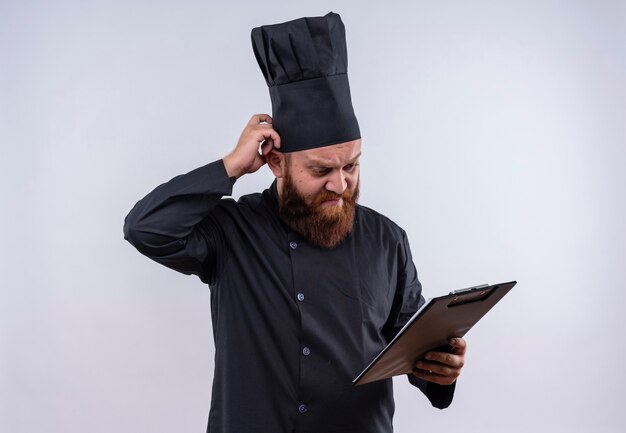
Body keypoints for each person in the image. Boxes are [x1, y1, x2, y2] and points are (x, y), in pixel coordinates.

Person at [123, 12, 466, 433]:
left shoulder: (388, 240)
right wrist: (230, 167)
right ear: (275, 161)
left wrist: (441, 370)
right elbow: (145, 228)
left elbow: (410, 347)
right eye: (322, 171)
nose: (340, 184)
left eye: (352, 166)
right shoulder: (231, 231)